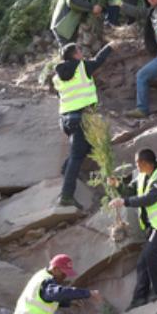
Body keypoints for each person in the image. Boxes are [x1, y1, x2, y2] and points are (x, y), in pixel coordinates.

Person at [108, 148, 157, 311]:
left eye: (137, 162)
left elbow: (150, 199)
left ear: (144, 162)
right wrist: (118, 185)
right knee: (143, 261)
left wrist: (124, 202)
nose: (136, 165)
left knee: (151, 254)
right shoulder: (142, 176)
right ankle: (139, 299)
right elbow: (130, 191)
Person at [53, 41, 112, 209]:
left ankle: (67, 169)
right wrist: (109, 47)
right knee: (77, 157)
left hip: (66, 119)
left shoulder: (56, 76)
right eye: (80, 50)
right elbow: (99, 60)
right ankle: (66, 196)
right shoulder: (82, 67)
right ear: (75, 54)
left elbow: (62, 96)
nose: (82, 52)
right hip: (82, 118)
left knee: (87, 147)